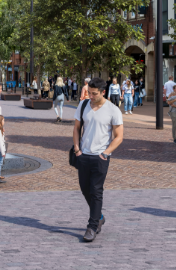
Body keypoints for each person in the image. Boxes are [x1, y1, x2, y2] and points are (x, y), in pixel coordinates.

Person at [72, 77, 123, 243]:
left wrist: (106, 153)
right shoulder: (83, 105)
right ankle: (99, 216)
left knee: (96, 190)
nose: (91, 96)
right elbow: (77, 128)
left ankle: (92, 226)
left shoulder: (113, 110)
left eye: (94, 94)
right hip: (83, 155)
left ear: (103, 92)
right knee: (85, 189)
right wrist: (77, 149)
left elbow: (119, 137)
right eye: (89, 93)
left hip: (101, 156)